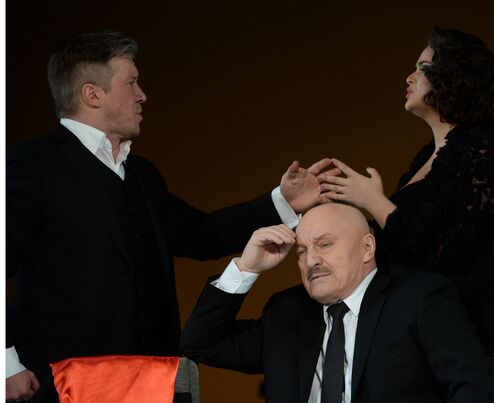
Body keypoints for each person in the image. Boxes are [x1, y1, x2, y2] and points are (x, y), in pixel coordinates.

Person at [6, 30, 336, 402]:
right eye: (131, 82)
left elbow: (204, 234)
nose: (142, 94)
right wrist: (5, 364)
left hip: (155, 385)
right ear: (92, 94)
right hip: (59, 387)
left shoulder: (143, 175)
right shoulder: (30, 166)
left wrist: (283, 201)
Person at [319, 27, 494, 356]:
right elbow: (407, 246)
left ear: (455, 79)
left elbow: (443, 254)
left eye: (423, 68)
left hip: (476, 338)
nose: (410, 77)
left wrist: (375, 202)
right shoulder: (428, 157)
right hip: (432, 332)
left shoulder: (484, 152)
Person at [180, 203, 494, 402]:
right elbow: (200, 344)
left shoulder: (419, 297)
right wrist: (246, 268)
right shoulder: (286, 312)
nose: (311, 261)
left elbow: (473, 389)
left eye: (325, 244)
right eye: (302, 251)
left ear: (367, 248)